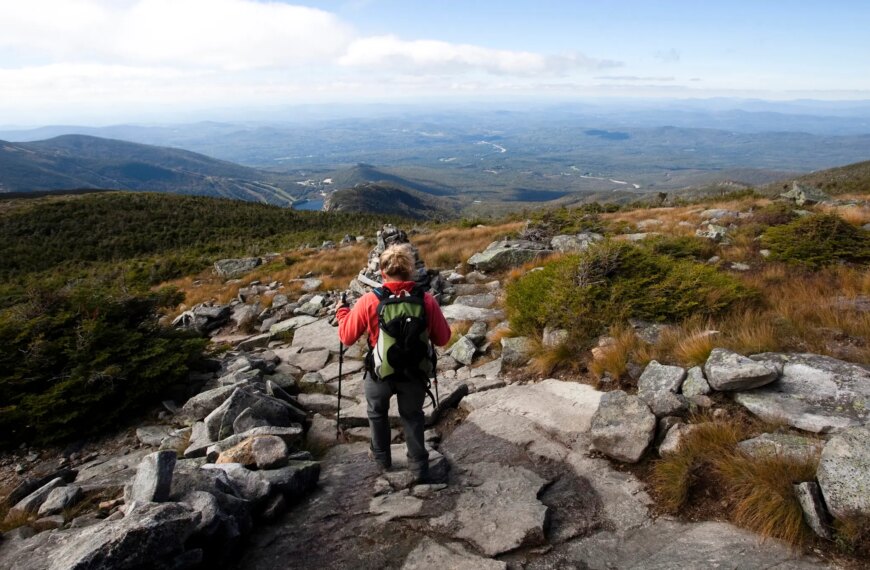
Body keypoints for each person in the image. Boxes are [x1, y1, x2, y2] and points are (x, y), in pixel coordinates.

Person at [336, 244, 450, 480]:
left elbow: (346, 336)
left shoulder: (369, 300)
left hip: (380, 372)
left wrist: (342, 313)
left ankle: (382, 460)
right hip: (414, 373)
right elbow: (444, 338)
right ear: (410, 270)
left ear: (382, 271)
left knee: (377, 413)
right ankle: (419, 467)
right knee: (412, 416)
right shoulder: (426, 300)